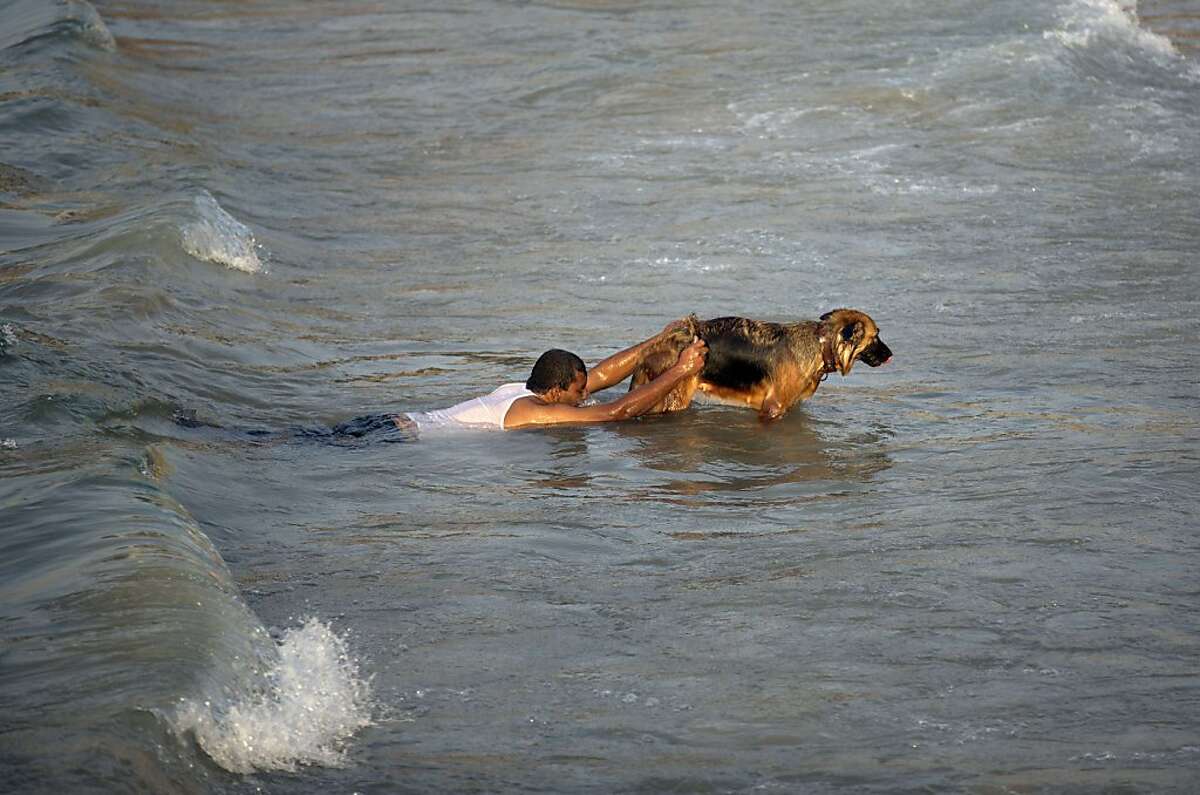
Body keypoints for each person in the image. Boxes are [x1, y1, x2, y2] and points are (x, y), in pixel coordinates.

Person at [400, 321, 707, 433]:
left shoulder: (520, 389)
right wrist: (681, 370)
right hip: (397, 437)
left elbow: (600, 375)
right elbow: (618, 412)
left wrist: (660, 341)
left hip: (400, 420)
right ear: (557, 392)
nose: (586, 395)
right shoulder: (534, 411)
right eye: (579, 391)